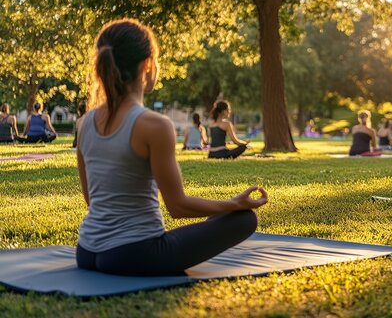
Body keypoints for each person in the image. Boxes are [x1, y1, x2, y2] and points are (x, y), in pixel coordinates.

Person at [75, 19, 267, 276]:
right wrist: (232, 204)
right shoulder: (153, 125)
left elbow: (91, 199)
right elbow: (178, 207)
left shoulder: (85, 122)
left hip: (87, 252)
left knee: (226, 216)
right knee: (244, 219)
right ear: (147, 64)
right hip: (135, 255)